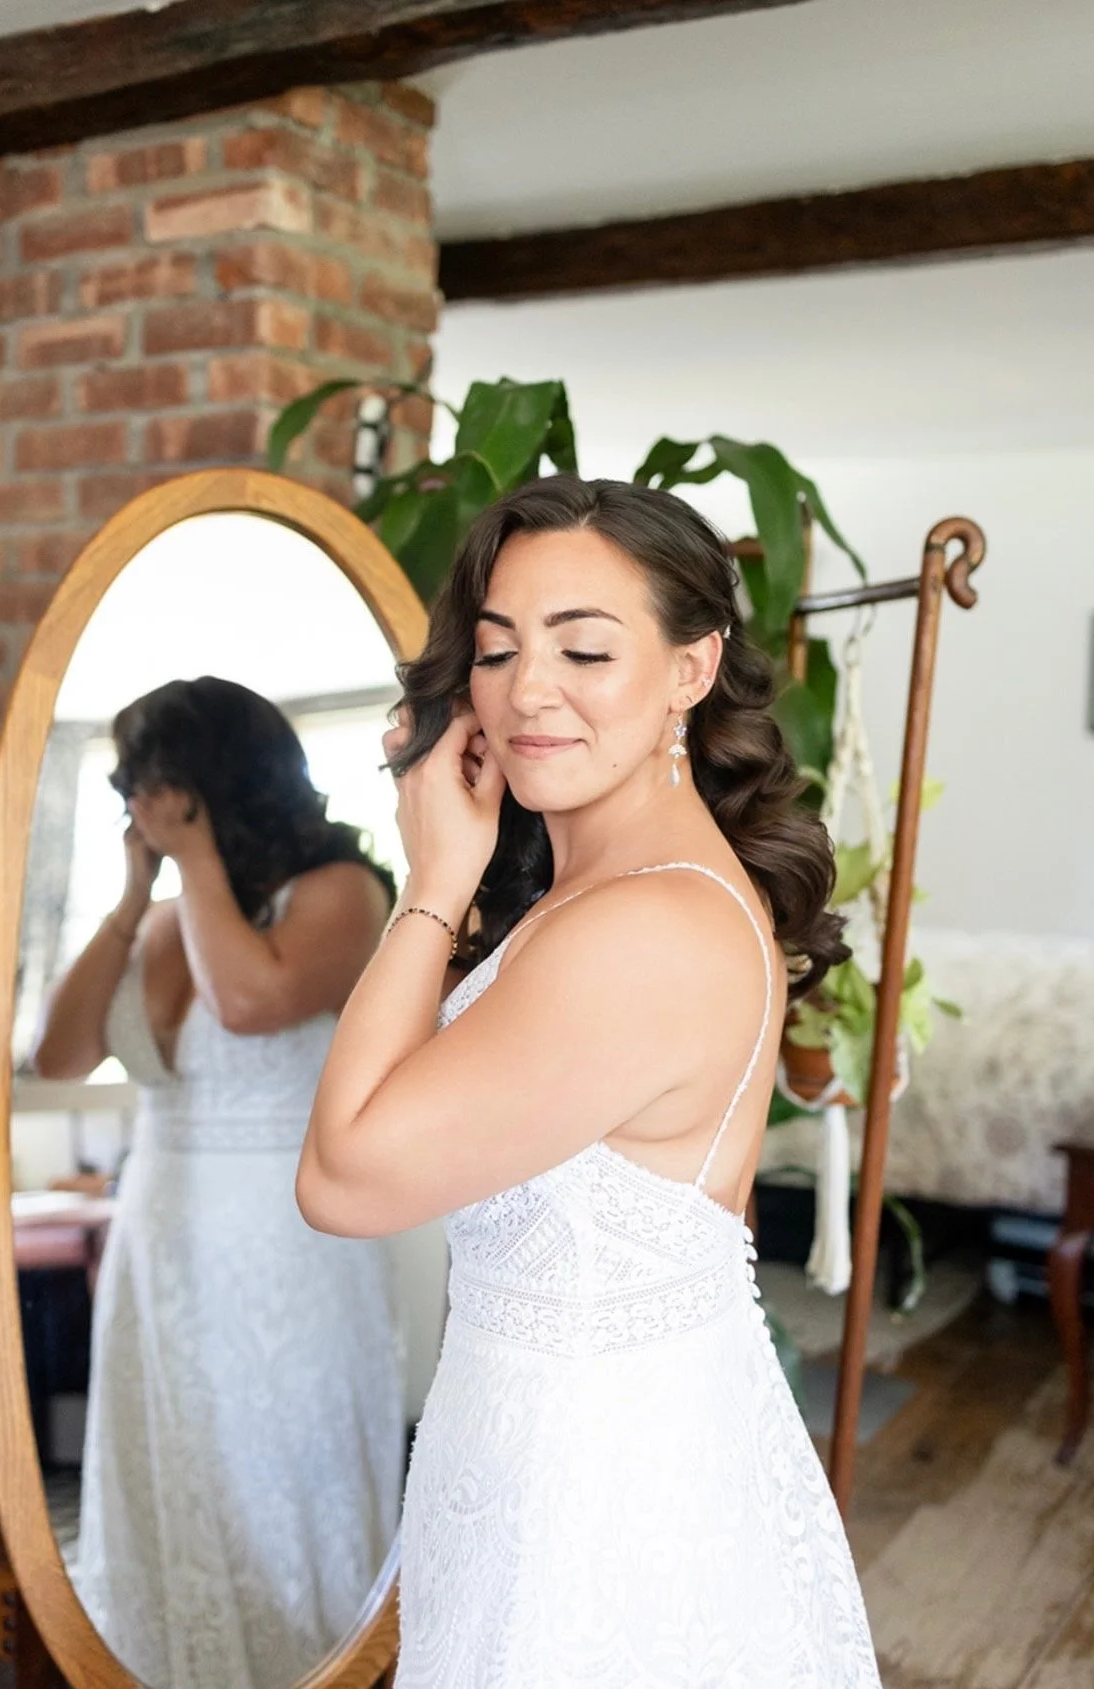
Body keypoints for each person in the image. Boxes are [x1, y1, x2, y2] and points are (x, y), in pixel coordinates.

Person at [296, 477, 883, 1688]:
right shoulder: (604, 895)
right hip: (547, 1453)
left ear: (691, 667)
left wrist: (434, 878)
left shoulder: (645, 926)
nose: (529, 691)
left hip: (599, 1495)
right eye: (500, 649)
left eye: (584, 648)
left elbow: (346, 1178)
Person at [35, 676, 404, 1689]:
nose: (139, 809)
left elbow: (252, 1003)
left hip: (284, 1246)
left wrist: (191, 861)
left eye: (155, 786)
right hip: (162, 1239)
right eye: (133, 791)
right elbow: (60, 1054)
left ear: (210, 783)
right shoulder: (160, 923)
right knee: (175, 1467)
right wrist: (126, 900)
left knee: (276, 1468)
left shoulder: (342, 891)